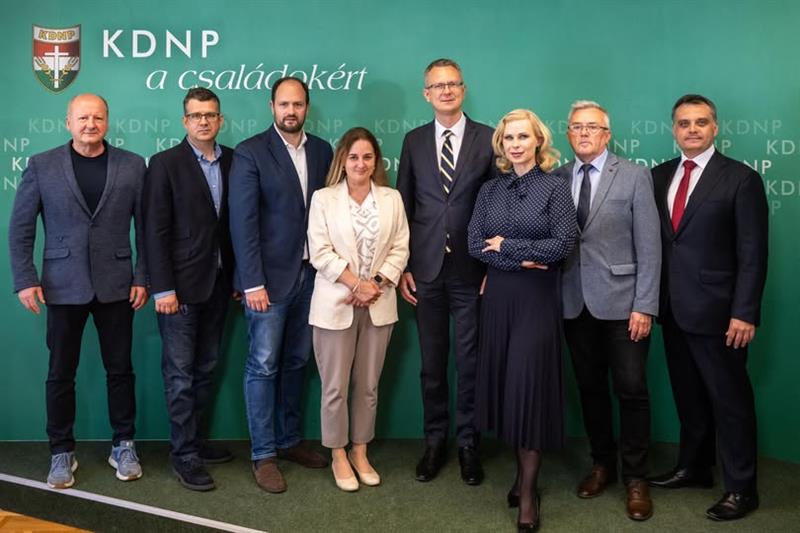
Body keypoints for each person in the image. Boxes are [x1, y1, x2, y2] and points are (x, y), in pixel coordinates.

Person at [8, 93, 148, 489]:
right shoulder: (42, 165)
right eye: (83, 118)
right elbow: (21, 228)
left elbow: (147, 228)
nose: (90, 124)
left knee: (120, 370)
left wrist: (143, 276)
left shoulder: (133, 165)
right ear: (68, 122)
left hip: (117, 285)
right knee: (60, 373)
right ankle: (61, 451)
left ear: (107, 122)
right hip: (61, 284)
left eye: (98, 117)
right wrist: (25, 279)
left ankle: (123, 445)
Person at [648, 94, 768, 521]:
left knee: (730, 402)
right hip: (672, 308)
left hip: (720, 314)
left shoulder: (740, 179)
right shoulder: (659, 175)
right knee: (689, 397)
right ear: (674, 129)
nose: (692, 129)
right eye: (684, 123)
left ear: (715, 128)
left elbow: (753, 253)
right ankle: (694, 467)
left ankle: (741, 488)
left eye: (701, 122)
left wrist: (745, 311)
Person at [468, 109, 576, 531]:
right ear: (501, 144)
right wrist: (525, 257)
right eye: (509, 137)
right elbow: (475, 244)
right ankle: (519, 478)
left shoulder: (555, 187)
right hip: (498, 298)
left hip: (536, 300)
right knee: (507, 390)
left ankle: (528, 495)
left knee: (528, 389)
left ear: (538, 142)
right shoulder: (489, 190)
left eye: (523, 137)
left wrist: (508, 247)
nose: (515, 144)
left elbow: (563, 244)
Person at [552, 101, 661, 521]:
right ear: (568, 133)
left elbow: (649, 246)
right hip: (573, 302)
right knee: (590, 388)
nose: (584, 133)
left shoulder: (634, 175)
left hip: (623, 304)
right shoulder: (557, 178)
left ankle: (636, 477)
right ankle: (602, 464)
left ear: (607, 134)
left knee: (631, 390)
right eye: (576, 127)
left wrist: (644, 305)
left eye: (592, 127)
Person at [228, 76, 333, 493]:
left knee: (297, 362)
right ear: (271, 107)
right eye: (284, 104)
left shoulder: (322, 150)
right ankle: (264, 454)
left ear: (307, 107)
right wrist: (251, 281)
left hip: (313, 277)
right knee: (263, 365)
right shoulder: (251, 151)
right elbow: (243, 222)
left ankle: (289, 441)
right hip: (267, 283)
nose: (291, 111)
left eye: (298, 104)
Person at [396, 58, 494, 485]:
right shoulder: (414, 140)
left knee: (470, 362)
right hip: (426, 270)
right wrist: (403, 266)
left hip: (472, 269)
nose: (447, 91)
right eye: (438, 86)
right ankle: (435, 441)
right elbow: (403, 206)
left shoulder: (488, 138)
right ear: (427, 94)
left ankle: (469, 443)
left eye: (453, 84)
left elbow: (499, 204)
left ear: (463, 89)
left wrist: (494, 266)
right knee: (432, 363)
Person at [143, 87, 236, 491]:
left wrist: (237, 278)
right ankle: (183, 456)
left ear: (220, 120)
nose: (203, 121)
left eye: (210, 114)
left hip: (219, 285)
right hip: (178, 290)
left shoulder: (233, 161)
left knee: (206, 369)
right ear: (185, 121)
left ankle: (194, 442)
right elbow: (154, 230)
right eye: (196, 115)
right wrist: (162, 288)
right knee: (180, 375)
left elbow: (235, 226)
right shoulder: (165, 164)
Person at [307, 127, 410, 491]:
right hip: (335, 304)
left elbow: (401, 246)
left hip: (379, 304)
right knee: (334, 387)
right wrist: (355, 284)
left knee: (368, 386)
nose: (361, 164)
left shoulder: (392, 198)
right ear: (343, 160)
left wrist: (375, 285)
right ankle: (338, 453)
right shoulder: (323, 199)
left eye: (367, 157)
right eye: (354, 157)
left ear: (376, 161)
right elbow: (319, 251)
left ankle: (360, 451)